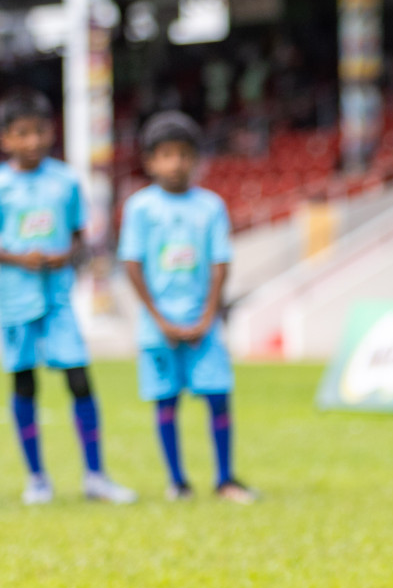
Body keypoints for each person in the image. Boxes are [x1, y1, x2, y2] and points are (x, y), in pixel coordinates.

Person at [0, 89, 136, 505]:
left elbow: (80, 237)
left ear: (51, 132)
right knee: (24, 384)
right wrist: (20, 258)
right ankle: (37, 478)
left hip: (59, 301)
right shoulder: (2, 185)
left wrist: (64, 255)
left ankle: (95, 474)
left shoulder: (65, 181)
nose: (31, 141)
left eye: (39, 131)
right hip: (15, 302)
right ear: (6, 139)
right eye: (21, 134)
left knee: (79, 379)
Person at [119, 111, 256, 502]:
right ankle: (177, 482)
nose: (175, 163)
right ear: (150, 161)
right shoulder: (140, 208)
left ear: (195, 158)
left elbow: (220, 264)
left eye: (182, 154)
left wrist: (207, 317)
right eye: (165, 155)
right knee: (166, 400)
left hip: (204, 325)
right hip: (158, 328)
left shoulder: (210, 206)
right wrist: (159, 319)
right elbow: (132, 264)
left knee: (217, 396)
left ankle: (225, 478)